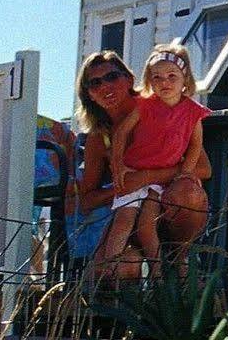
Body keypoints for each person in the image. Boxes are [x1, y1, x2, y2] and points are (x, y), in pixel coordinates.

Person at [68, 51, 210, 281]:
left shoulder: (162, 107)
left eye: (112, 77)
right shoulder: (100, 136)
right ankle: (133, 300)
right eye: (95, 83)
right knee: (123, 267)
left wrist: (145, 177)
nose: (105, 86)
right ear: (89, 95)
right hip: (131, 212)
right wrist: (123, 187)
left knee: (188, 192)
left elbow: (204, 168)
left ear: (129, 79)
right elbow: (87, 200)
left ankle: (180, 259)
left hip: (170, 208)